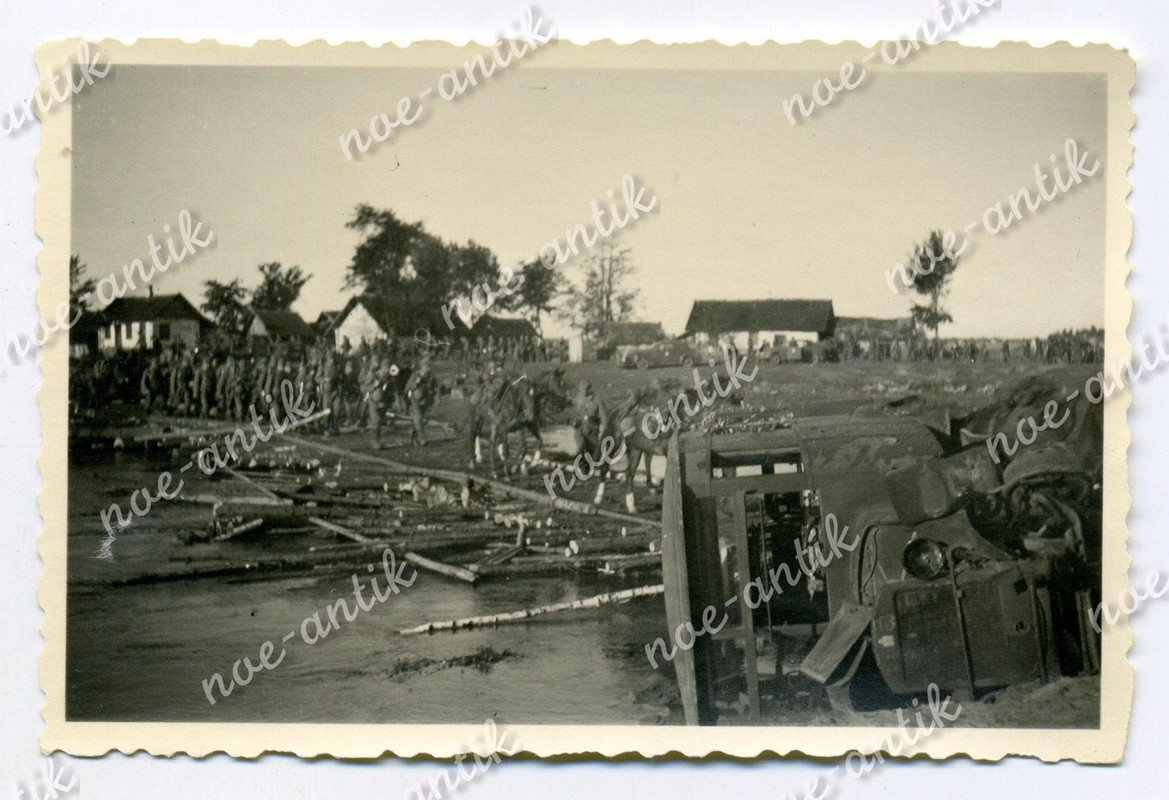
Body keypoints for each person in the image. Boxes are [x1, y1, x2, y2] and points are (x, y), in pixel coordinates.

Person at [405, 357, 438, 446]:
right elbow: (407, 388)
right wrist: (416, 383)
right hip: (414, 400)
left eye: (429, 367)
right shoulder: (415, 375)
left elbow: (436, 386)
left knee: (422, 419)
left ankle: (414, 438)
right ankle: (422, 439)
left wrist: (437, 397)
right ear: (421, 367)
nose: (428, 369)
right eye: (426, 367)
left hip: (425, 400)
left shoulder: (430, 377)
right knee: (418, 417)